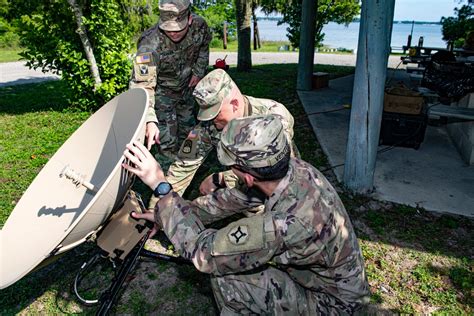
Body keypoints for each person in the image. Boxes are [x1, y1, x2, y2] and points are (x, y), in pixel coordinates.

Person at [123, 115, 370, 314]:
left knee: (227, 277)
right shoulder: (292, 168)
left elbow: (205, 253)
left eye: (232, 166)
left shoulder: (282, 226)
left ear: (250, 177)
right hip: (329, 282)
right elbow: (227, 201)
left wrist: (161, 186)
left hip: (334, 306)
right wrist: (169, 211)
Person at [164, 68, 299, 198]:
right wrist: (158, 207)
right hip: (245, 183)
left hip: (283, 188)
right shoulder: (209, 126)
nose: (210, 120)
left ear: (234, 103)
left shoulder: (273, 117)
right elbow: (182, 167)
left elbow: (280, 173)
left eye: (215, 113)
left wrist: (220, 179)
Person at [129, 0, 212, 159]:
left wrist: (198, 71)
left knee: (190, 133)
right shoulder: (149, 45)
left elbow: (204, 46)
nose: (173, 33)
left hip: (187, 90)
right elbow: (142, 86)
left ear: (189, 19)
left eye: (178, 29)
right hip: (162, 95)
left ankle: (188, 165)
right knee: (166, 140)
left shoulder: (199, 26)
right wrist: (149, 119)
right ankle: (166, 178)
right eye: (168, 29)